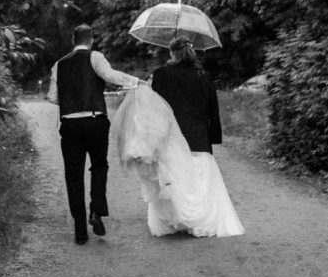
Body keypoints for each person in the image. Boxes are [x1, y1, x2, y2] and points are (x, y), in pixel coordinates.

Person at [111, 36, 243, 237]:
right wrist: (213, 136)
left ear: (171, 53)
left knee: (173, 178)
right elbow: (212, 110)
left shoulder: (161, 75)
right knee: (199, 180)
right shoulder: (204, 75)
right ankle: (201, 221)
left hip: (171, 136)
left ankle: (174, 221)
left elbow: (153, 109)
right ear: (192, 53)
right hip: (198, 135)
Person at [46, 23, 140, 244]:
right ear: (91, 40)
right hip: (95, 120)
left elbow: (52, 97)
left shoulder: (59, 65)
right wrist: (136, 81)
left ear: (72, 40)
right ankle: (96, 211)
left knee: (73, 175)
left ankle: (80, 231)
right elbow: (111, 76)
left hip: (69, 124)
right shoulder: (96, 57)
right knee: (99, 166)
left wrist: (70, 100)